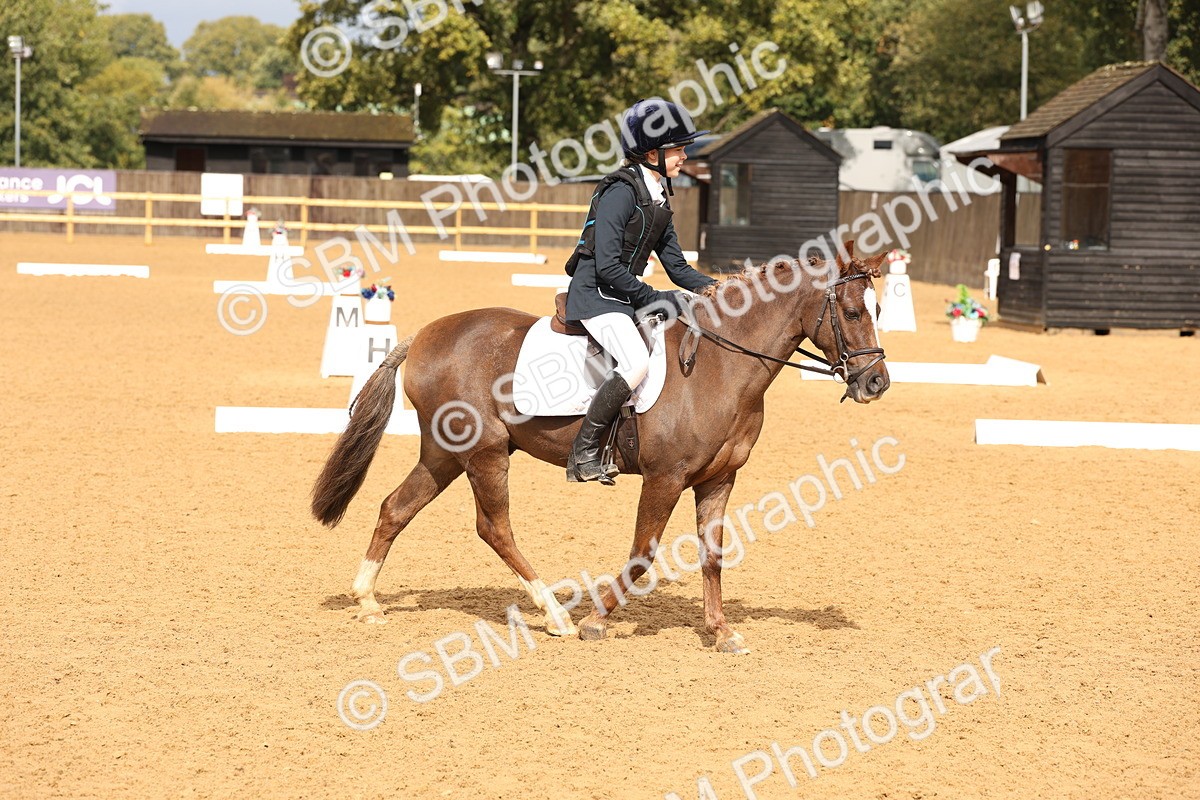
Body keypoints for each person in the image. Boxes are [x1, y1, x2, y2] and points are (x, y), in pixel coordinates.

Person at [563, 97, 718, 484]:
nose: (685, 156)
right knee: (635, 363)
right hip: (596, 296)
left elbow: (678, 268)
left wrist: (721, 289)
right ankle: (583, 453)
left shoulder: (657, 197)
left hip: (622, 296)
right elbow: (607, 266)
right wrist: (655, 298)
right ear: (653, 152)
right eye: (679, 149)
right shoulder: (620, 192)